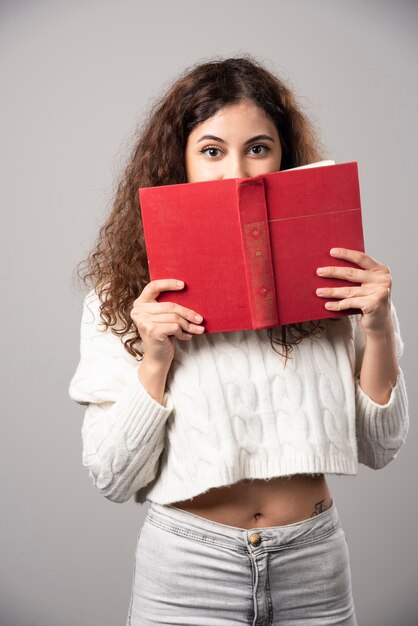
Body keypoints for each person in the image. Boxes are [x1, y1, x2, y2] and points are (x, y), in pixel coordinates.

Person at [69, 56, 409, 625]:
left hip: (314, 567)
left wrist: (376, 326)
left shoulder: (337, 279)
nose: (237, 174)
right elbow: (111, 477)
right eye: (211, 151)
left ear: (284, 157)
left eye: (258, 148)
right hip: (188, 571)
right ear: (177, 161)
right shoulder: (123, 295)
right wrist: (155, 359)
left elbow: (381, 448)